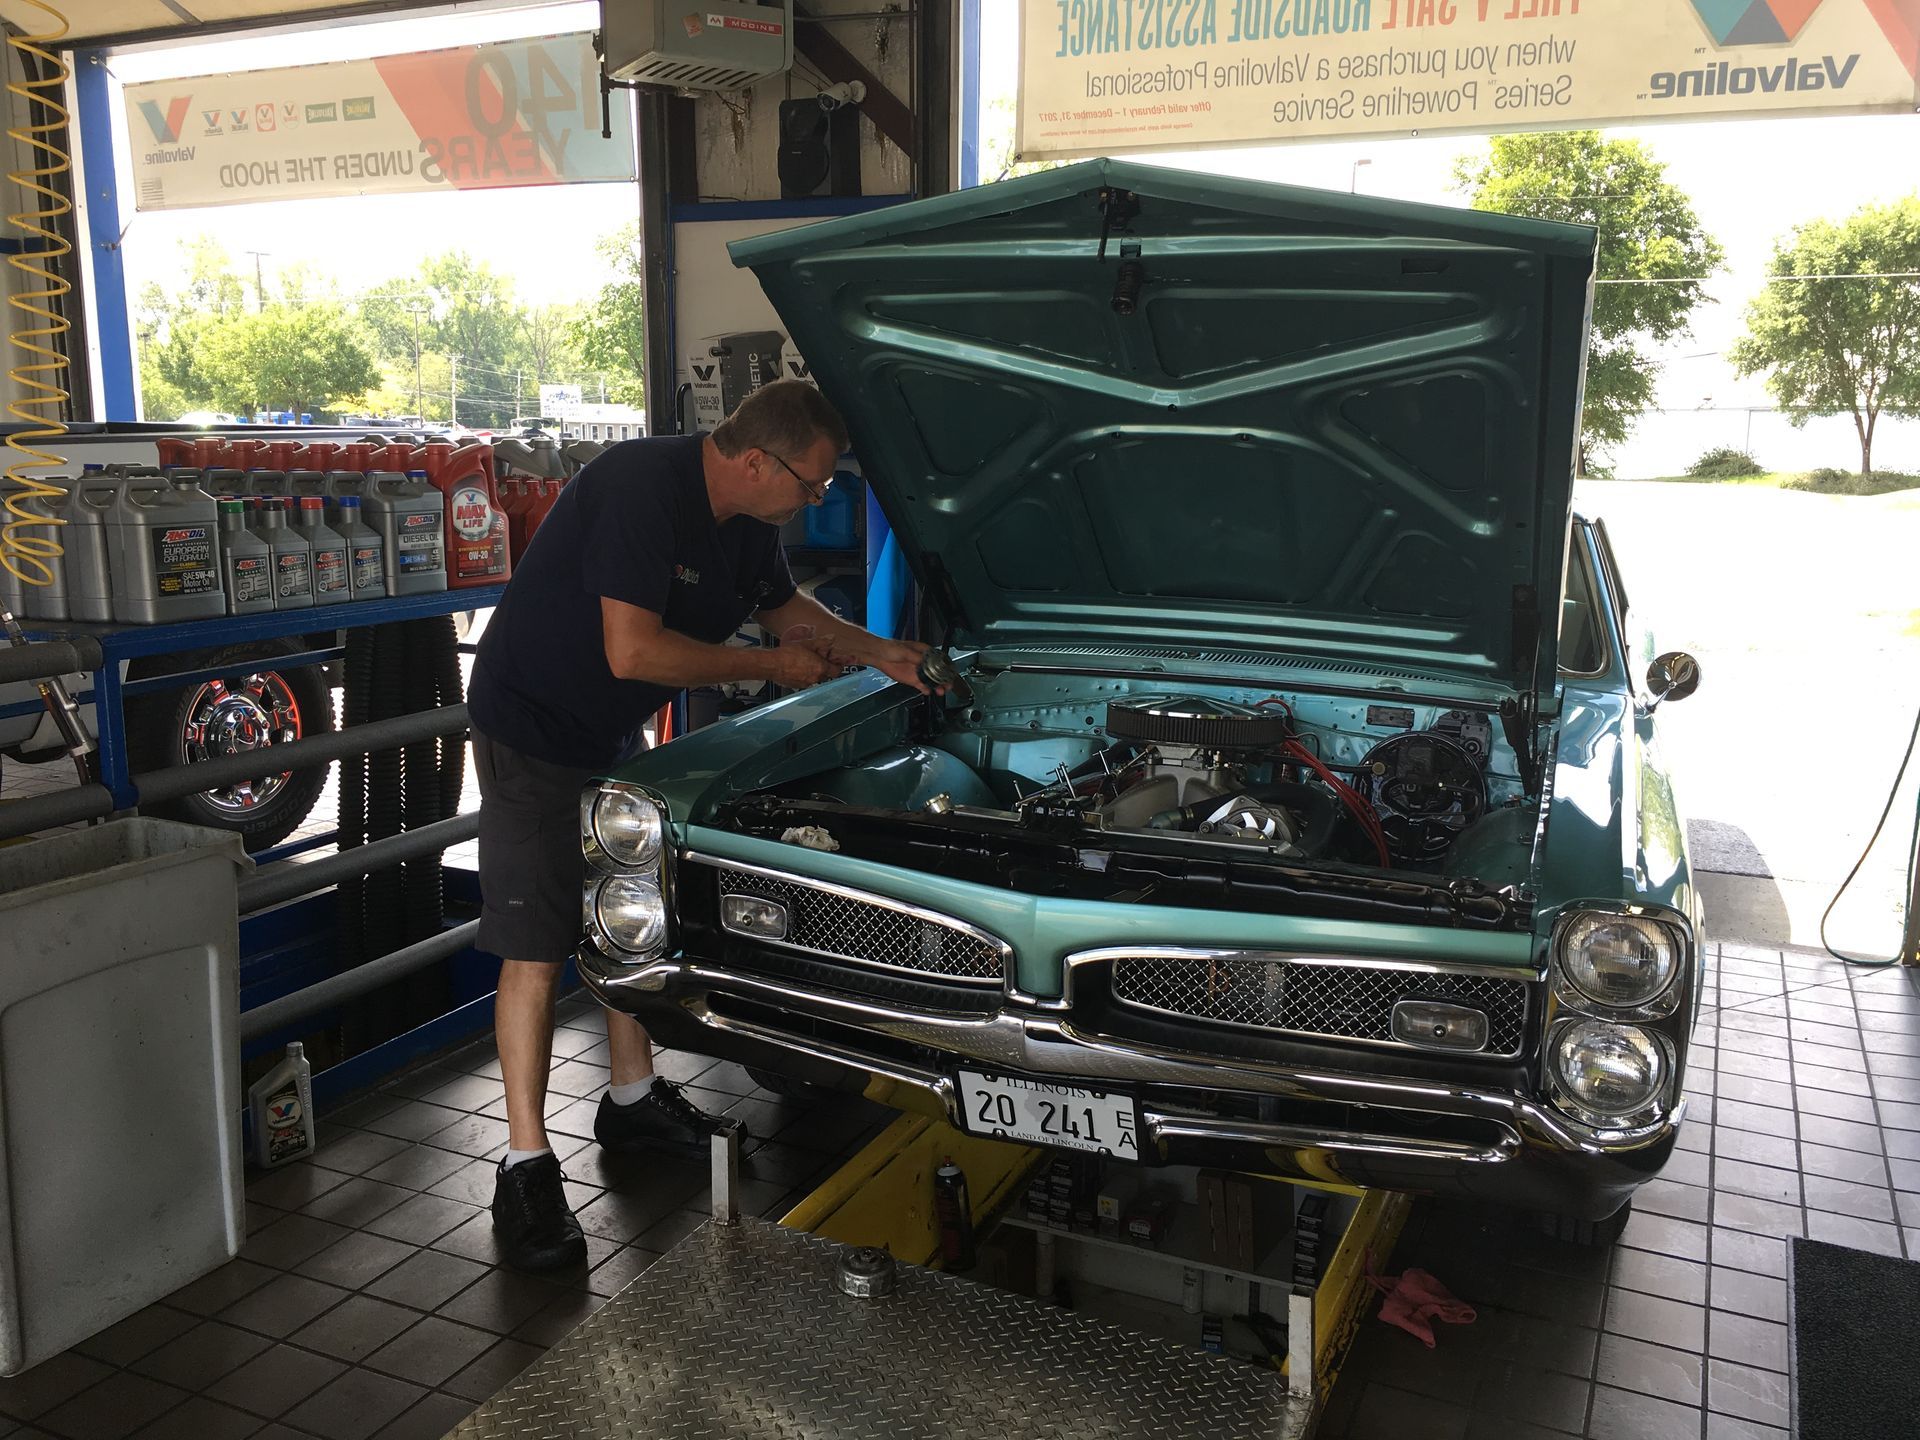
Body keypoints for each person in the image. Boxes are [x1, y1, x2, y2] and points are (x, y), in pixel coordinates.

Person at [466, 379, 934, 1271]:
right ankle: (524, 1165)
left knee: (629, 914)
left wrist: (885, 655)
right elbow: (632, 651)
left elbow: (786, 611)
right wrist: (772, 668)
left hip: (608, 731)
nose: (816, 499)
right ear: (757, 460)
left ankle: (632, 1099)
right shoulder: (640, 488)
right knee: (536, 944)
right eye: (811, 483)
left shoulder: (750, 521)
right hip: (533, 726)